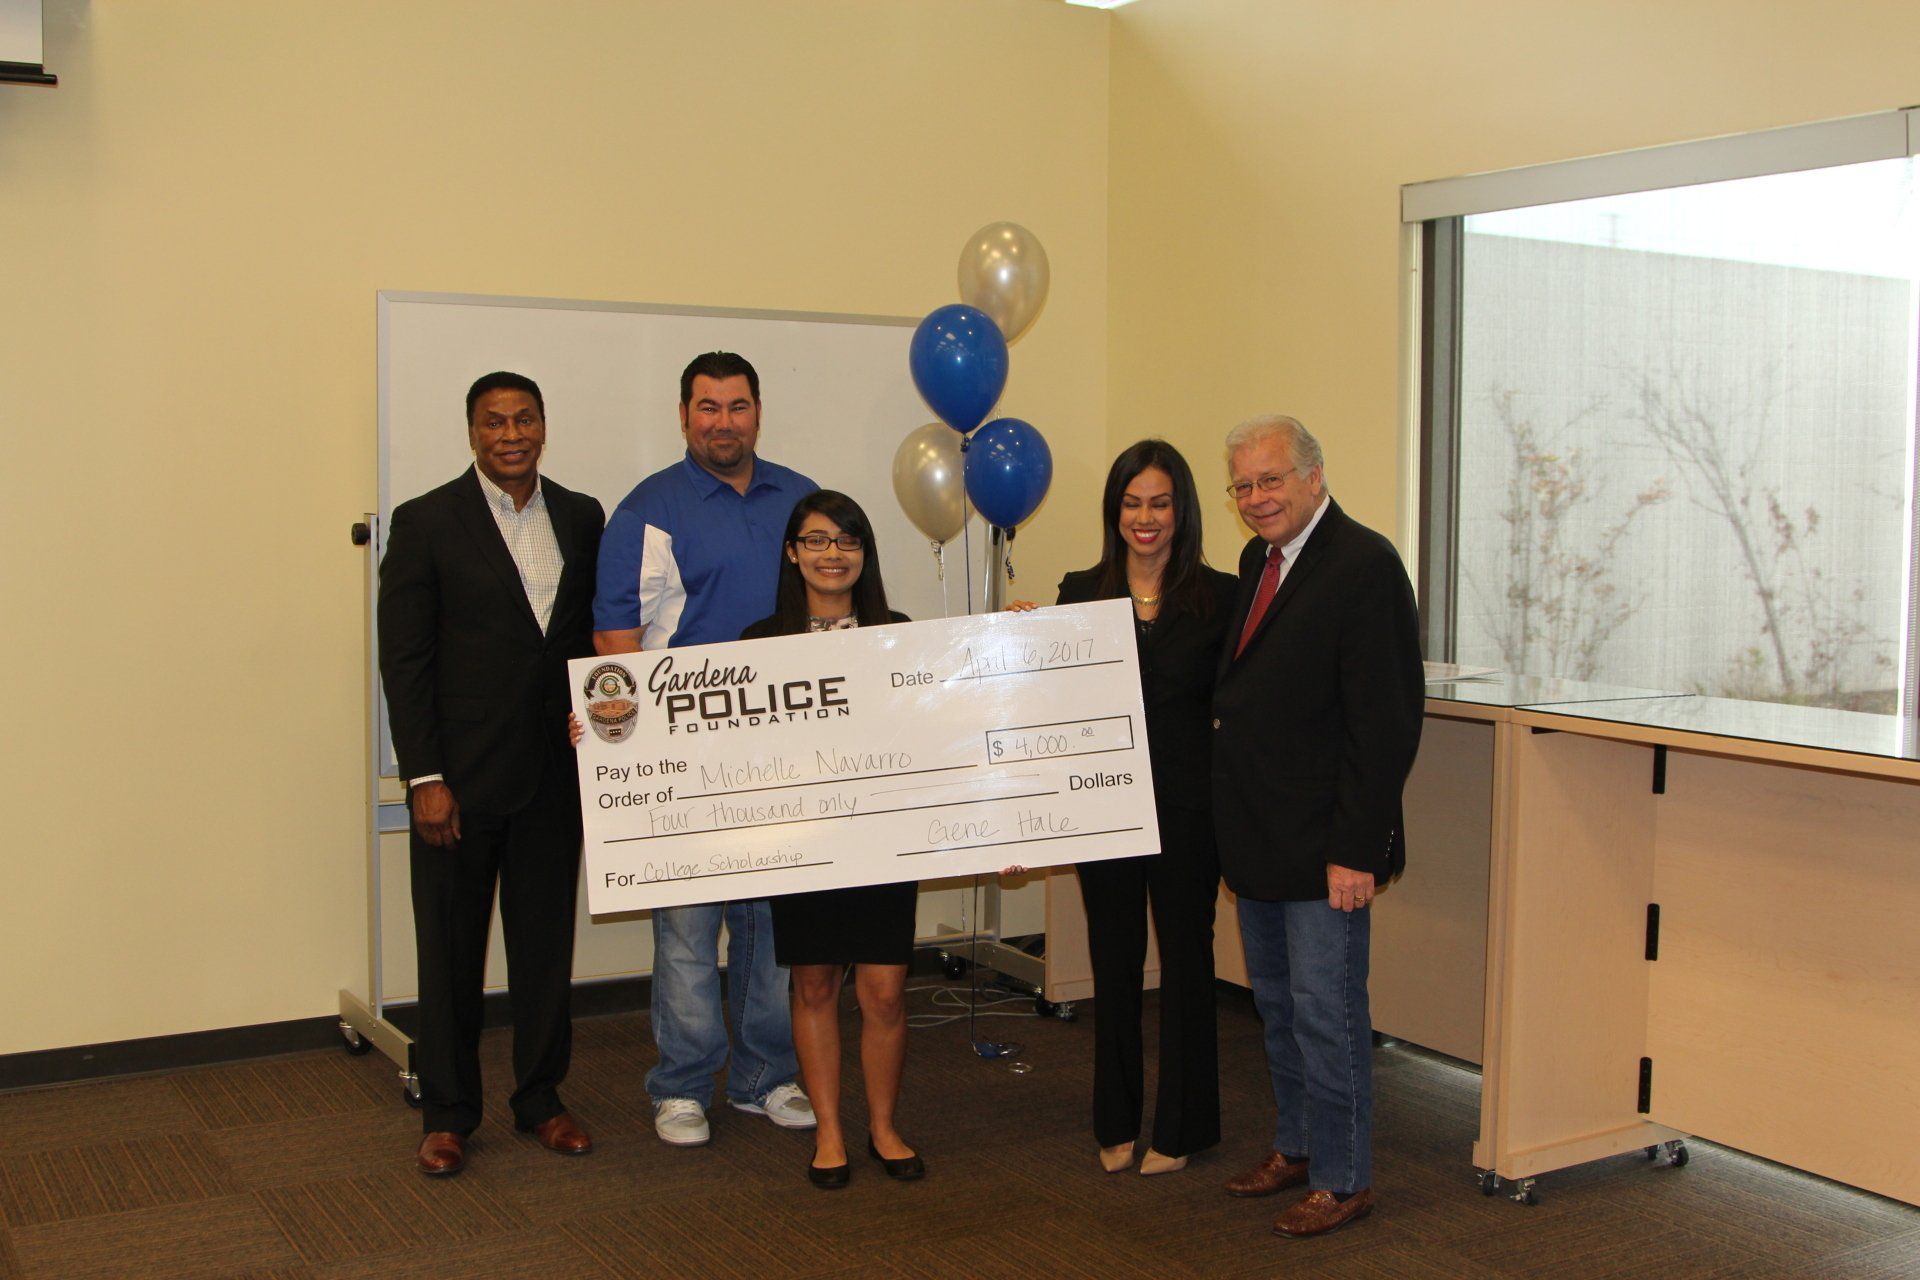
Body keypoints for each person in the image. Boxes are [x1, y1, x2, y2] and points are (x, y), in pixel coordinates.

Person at [377, 371, 605, 1176]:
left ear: (545, 426)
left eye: (525, 419)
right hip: (458, 786)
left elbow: (584, 644)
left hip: (553, 776)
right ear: (471, 432)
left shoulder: (582, 517)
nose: (511, 434)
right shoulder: (427, 521)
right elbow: (405, 662)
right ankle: (448, 1113)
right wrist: (423, 776)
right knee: (448, 955)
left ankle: (541, 1099)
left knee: (545, 952)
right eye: (493, 421)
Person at [592, 352, 818, 1146]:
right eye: (708, 407)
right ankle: (682, 1086)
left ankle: (767, 1078)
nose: (724, 422)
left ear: (759, 411)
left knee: (771, 935)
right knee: (687, 932)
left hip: (783, 757)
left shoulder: (801, 500)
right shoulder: (645, 511)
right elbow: (616, 649)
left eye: (738, 406)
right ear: (683, 413)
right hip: (685, 763)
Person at [1211, 415, 1423, 1238]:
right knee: (1278, 1008)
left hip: (1326, 847)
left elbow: (1386, 725)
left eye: (1270, 479)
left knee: (1326, 1014)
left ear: (1313, 477)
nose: (1257, 498)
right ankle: (1297, 1147)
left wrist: (1355, 851)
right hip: (1262, 838)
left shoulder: (1365, 566)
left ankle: (1344, 1177)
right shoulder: (1257, 562)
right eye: (1243, 485)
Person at [1016, 440, 1236, 1177]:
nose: (1146, 518)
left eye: (1161, 502)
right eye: (1132, 502)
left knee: (1187, 967)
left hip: (1189, 811)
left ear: (1183, 511)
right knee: (1113, 966)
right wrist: (1017, 640)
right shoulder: (1080, 591)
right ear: (1115, 510)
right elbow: (1051, 698)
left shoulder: (1220, 597)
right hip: (1102, 812)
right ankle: (1114, 1119)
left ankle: (1182, 1127)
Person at [738, 490, 925, 1189]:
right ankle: (831, 1131)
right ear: (792, 553)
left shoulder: (900, 635)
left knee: (883, 992)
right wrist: (612, 734)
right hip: (805, 844)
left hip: (883, 841)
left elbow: (939, 731)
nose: (832, 554)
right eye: (815, 541)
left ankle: (882, 1125)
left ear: (864, 554)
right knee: (814, 983)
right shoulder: (760, 643)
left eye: (847, 541)